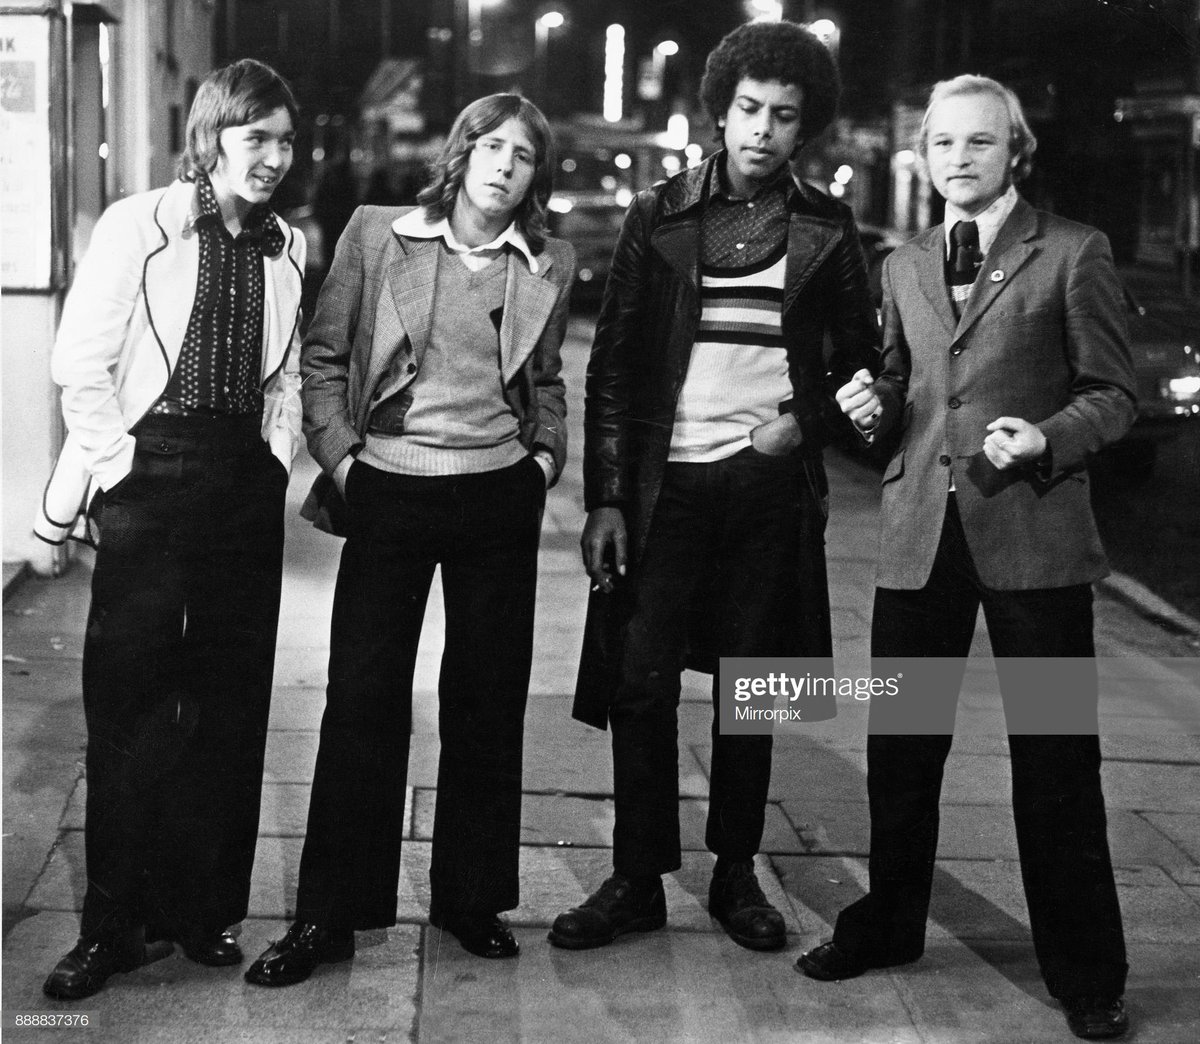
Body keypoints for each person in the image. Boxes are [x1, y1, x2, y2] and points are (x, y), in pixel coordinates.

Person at [797, 75, 1134, 1042]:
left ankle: (1086, 971)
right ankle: (890, 924)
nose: (958, 160)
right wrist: (872, 406)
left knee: (1057, 763)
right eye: (943, 143)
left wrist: (1048, 439)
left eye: (978, 144)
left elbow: (1114, 395)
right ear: (925, 153)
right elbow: (905, 383)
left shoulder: (1073, 253)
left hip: (1035, 543)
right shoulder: (903, 264)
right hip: (917, 541)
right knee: (901, 753)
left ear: (1013, 151)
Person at [549, 20, 878, 954]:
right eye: (749, 110)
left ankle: (736, 873)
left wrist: (799, 424)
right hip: (666, 488)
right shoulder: (661, 212)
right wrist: (607, 497)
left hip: (768, 487)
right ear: (721, 111)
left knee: (754, 689)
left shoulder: (826, 223)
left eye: (784, 116)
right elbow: (612, 367)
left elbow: (862, 360)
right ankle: (637, 877)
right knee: (640, 686)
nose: (764, 131)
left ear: (803, 128)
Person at [243, 93, 574, 987]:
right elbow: (323, 357)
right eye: (493, 147)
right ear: (462, 154)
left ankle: (471, 900)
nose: (506, 166)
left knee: (486, 698)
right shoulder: (377, 232)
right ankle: (328, 915)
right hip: (388, 487)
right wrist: (345, 463)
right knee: (361, 698)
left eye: (524, 155)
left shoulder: (547, 259)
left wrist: (543, 462)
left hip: (496, 497)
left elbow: (546, 381)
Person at [35, 59, 305, 999]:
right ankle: (110, 927)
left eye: (284, 140)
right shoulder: (138, 223)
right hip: (150, 474)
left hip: (240, 479)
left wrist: (274, 456)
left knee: (230, 704)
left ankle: (201, 914)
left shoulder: (286, 244)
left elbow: (287, 371)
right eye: (254, 137)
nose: (271, 157)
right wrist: (117, 471)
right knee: (129, 702)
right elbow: (81, 361)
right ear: (212, 136)